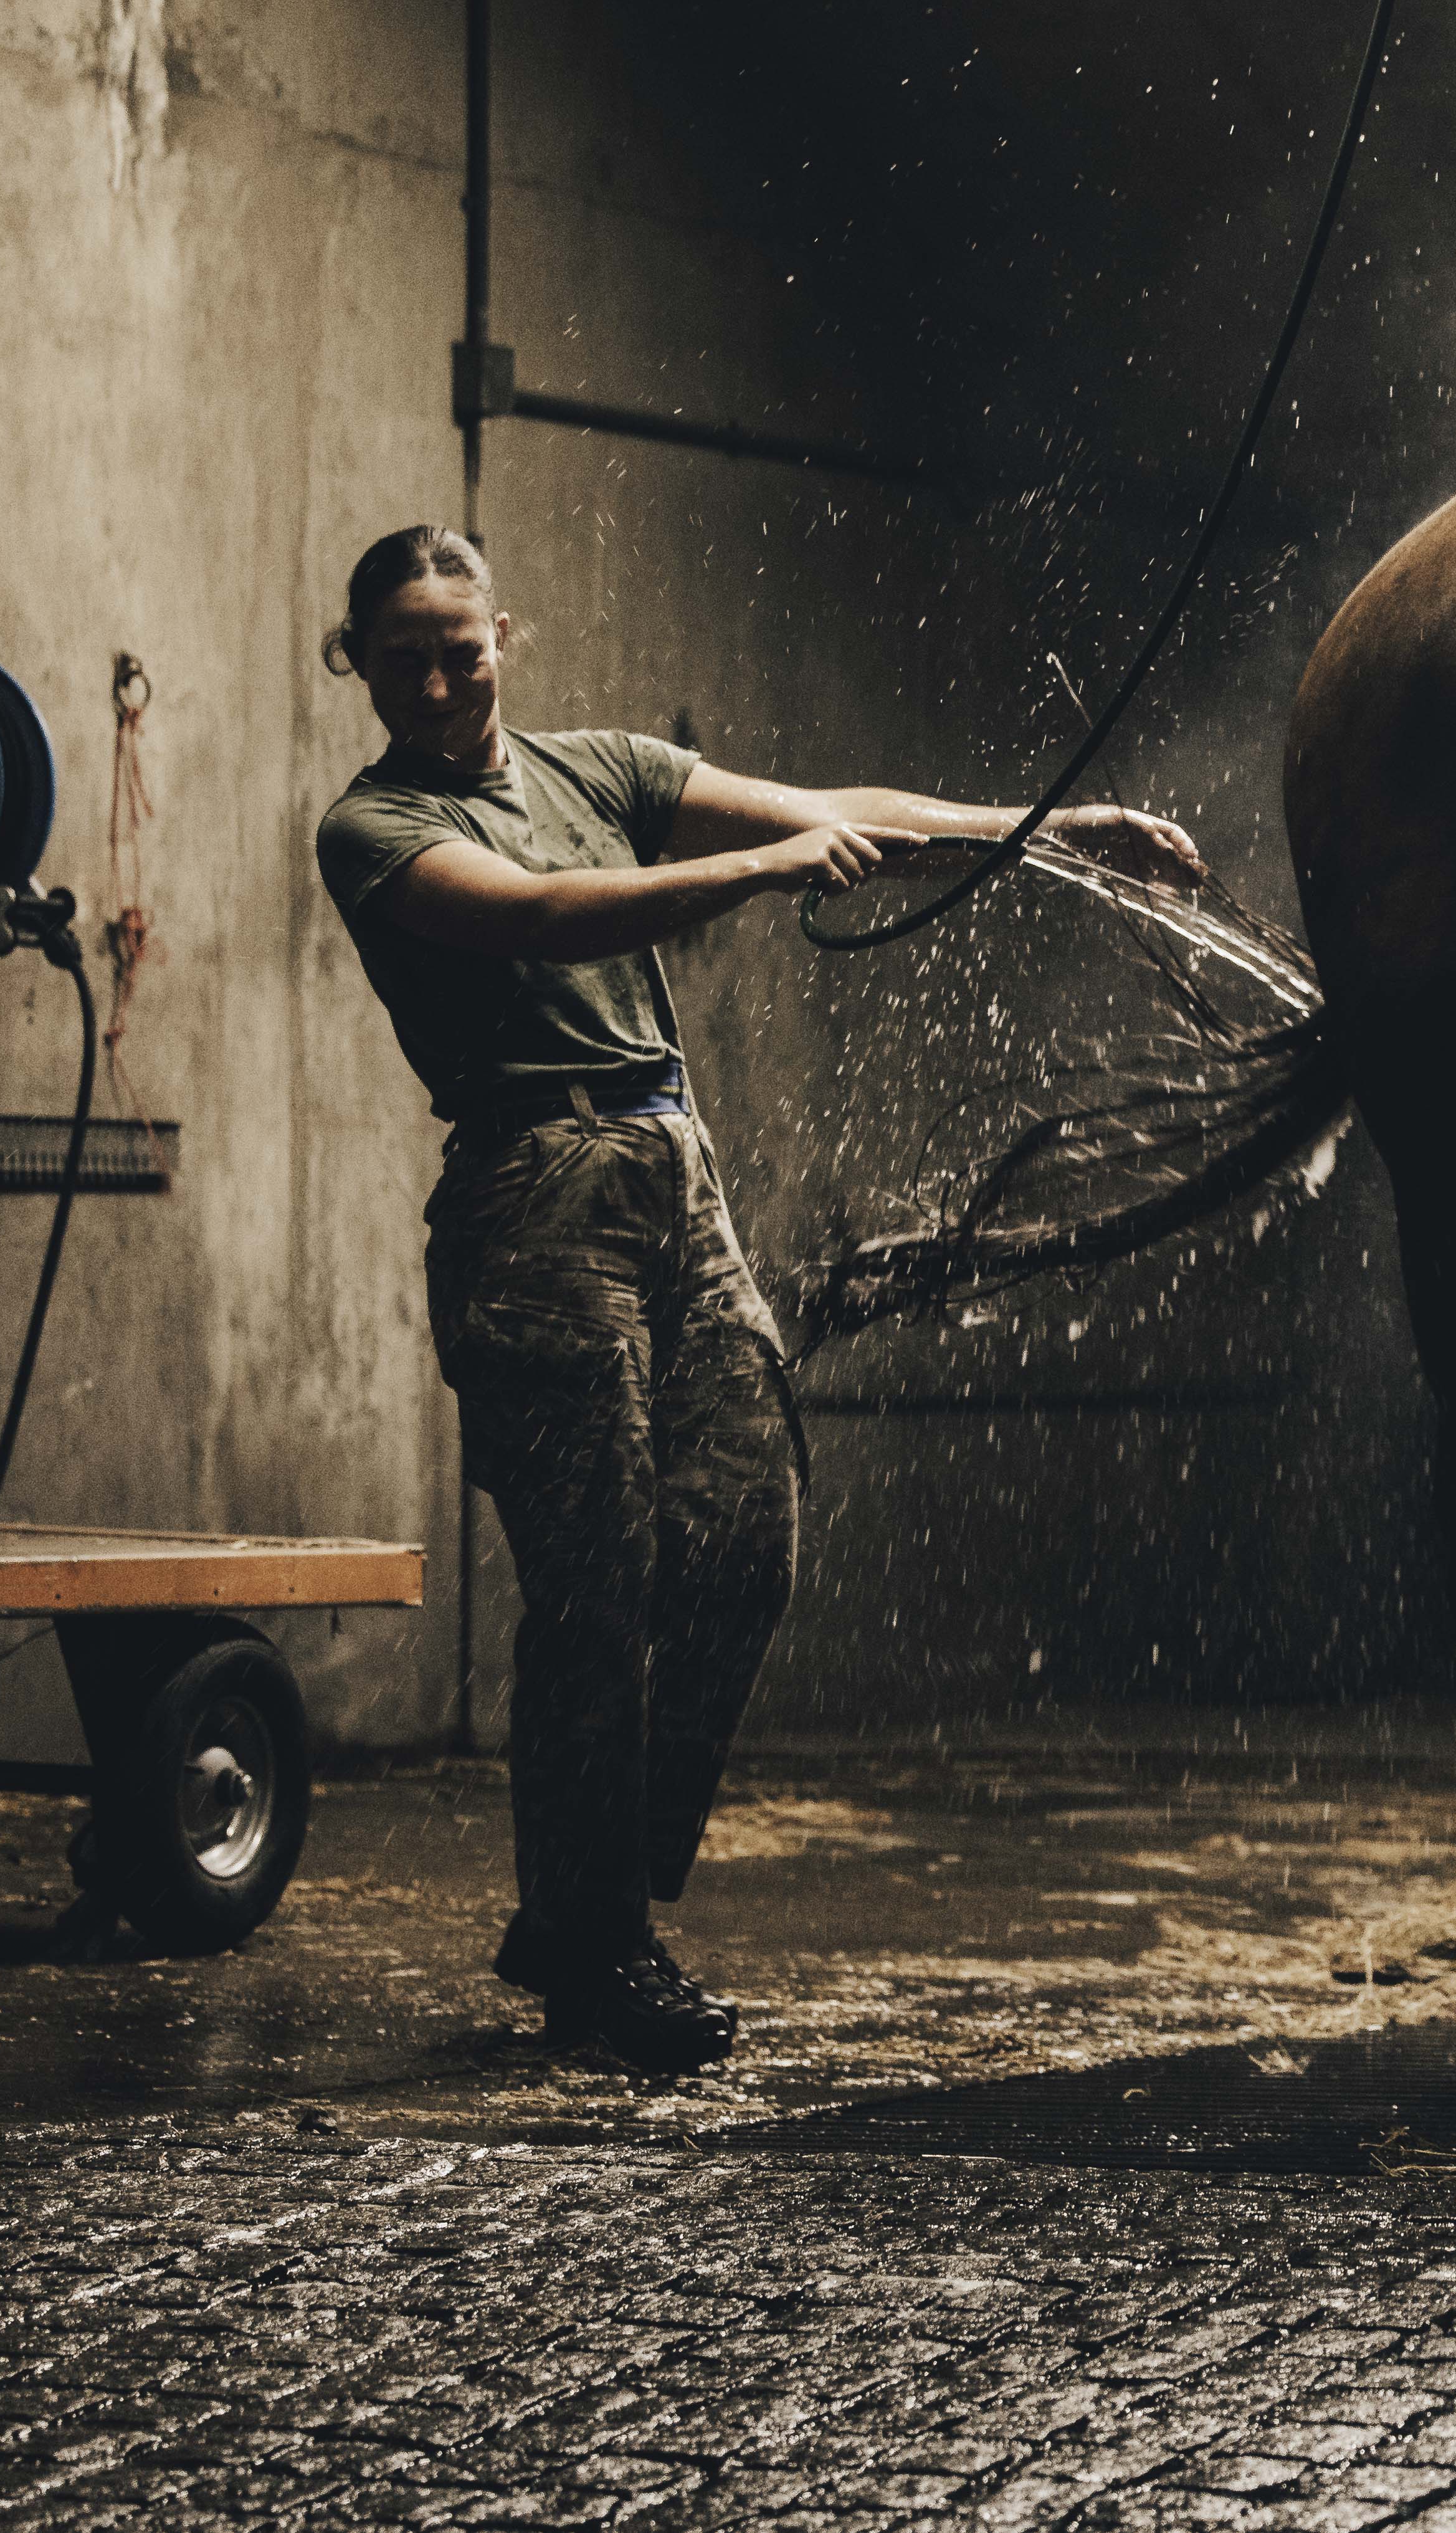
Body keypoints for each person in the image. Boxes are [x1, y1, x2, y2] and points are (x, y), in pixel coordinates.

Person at [312, 522, 1201, 2072]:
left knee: (744, 1533)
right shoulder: (372, 823)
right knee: (595, 1581)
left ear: (503, 633)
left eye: (461, 644)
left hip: (674, 1164)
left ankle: (580, 1897)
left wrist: (1055, 830)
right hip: (537, 1197)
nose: (440, 675)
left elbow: (840, 812)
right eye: (404, 655)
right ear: (358, 665)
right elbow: (530, 914)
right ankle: (596, 1950)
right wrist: (758, 869)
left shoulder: (594, 768)